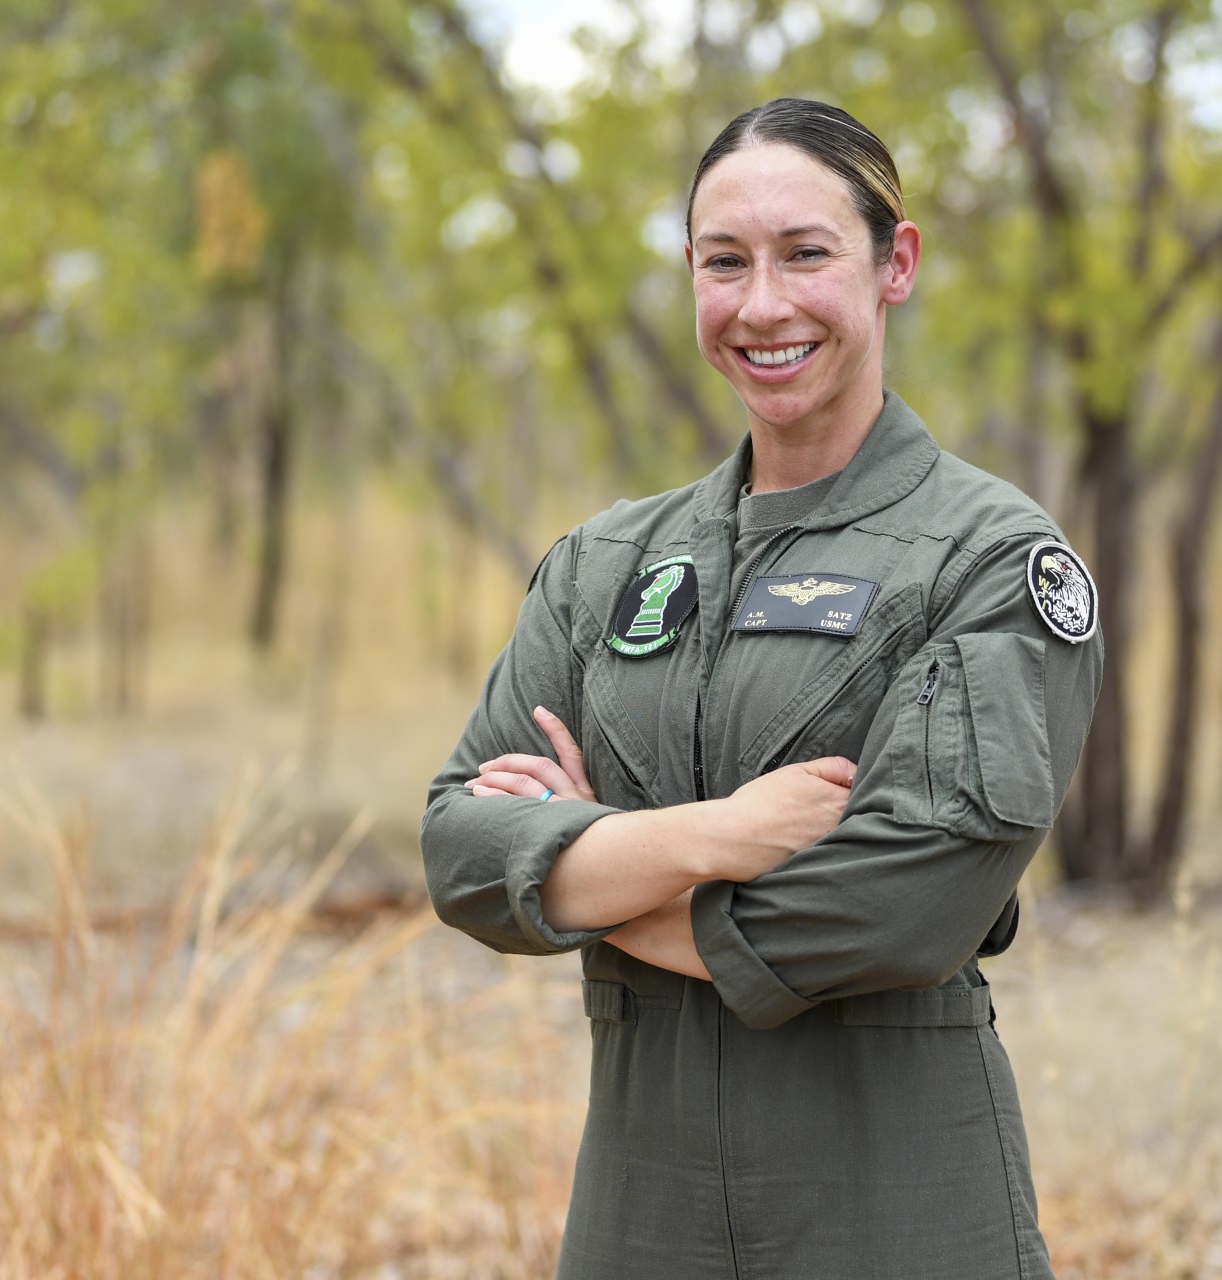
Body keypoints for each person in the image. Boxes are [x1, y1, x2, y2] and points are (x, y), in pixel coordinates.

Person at [422, 97, 1103, 1280]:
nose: (763, 304)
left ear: (895, 264)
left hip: (898, 1223)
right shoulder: (606, 564)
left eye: (806, 253)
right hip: (639, 1224)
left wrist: (589, 867)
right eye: (725, 261)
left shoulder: (989, 559)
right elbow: (462, 852)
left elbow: (901, 906)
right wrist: (715, 834)